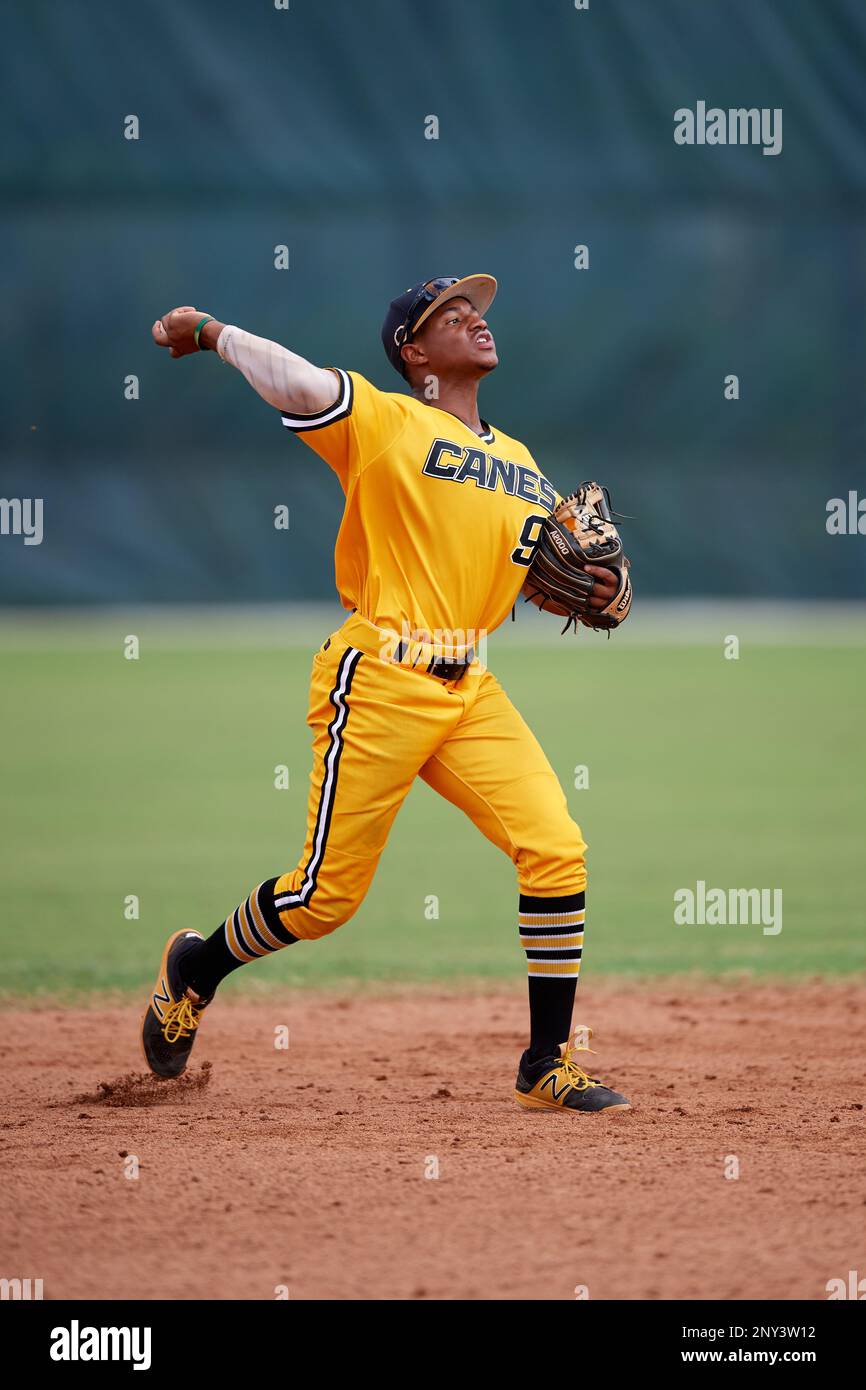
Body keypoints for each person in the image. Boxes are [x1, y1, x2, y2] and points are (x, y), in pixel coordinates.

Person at [143, 275, 629, 1113]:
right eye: (450, 314)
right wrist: (215, 331)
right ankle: (195, 967)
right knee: (324, 897)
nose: (475, 318)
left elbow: (567, 568)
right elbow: (296, 382)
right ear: (414, 351)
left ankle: (545, 1062)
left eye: (476, 308)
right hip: (380, 677)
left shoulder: (520, 464)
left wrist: (598, 584)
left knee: (557, 849)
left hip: (470, 685)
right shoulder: (384, 421)